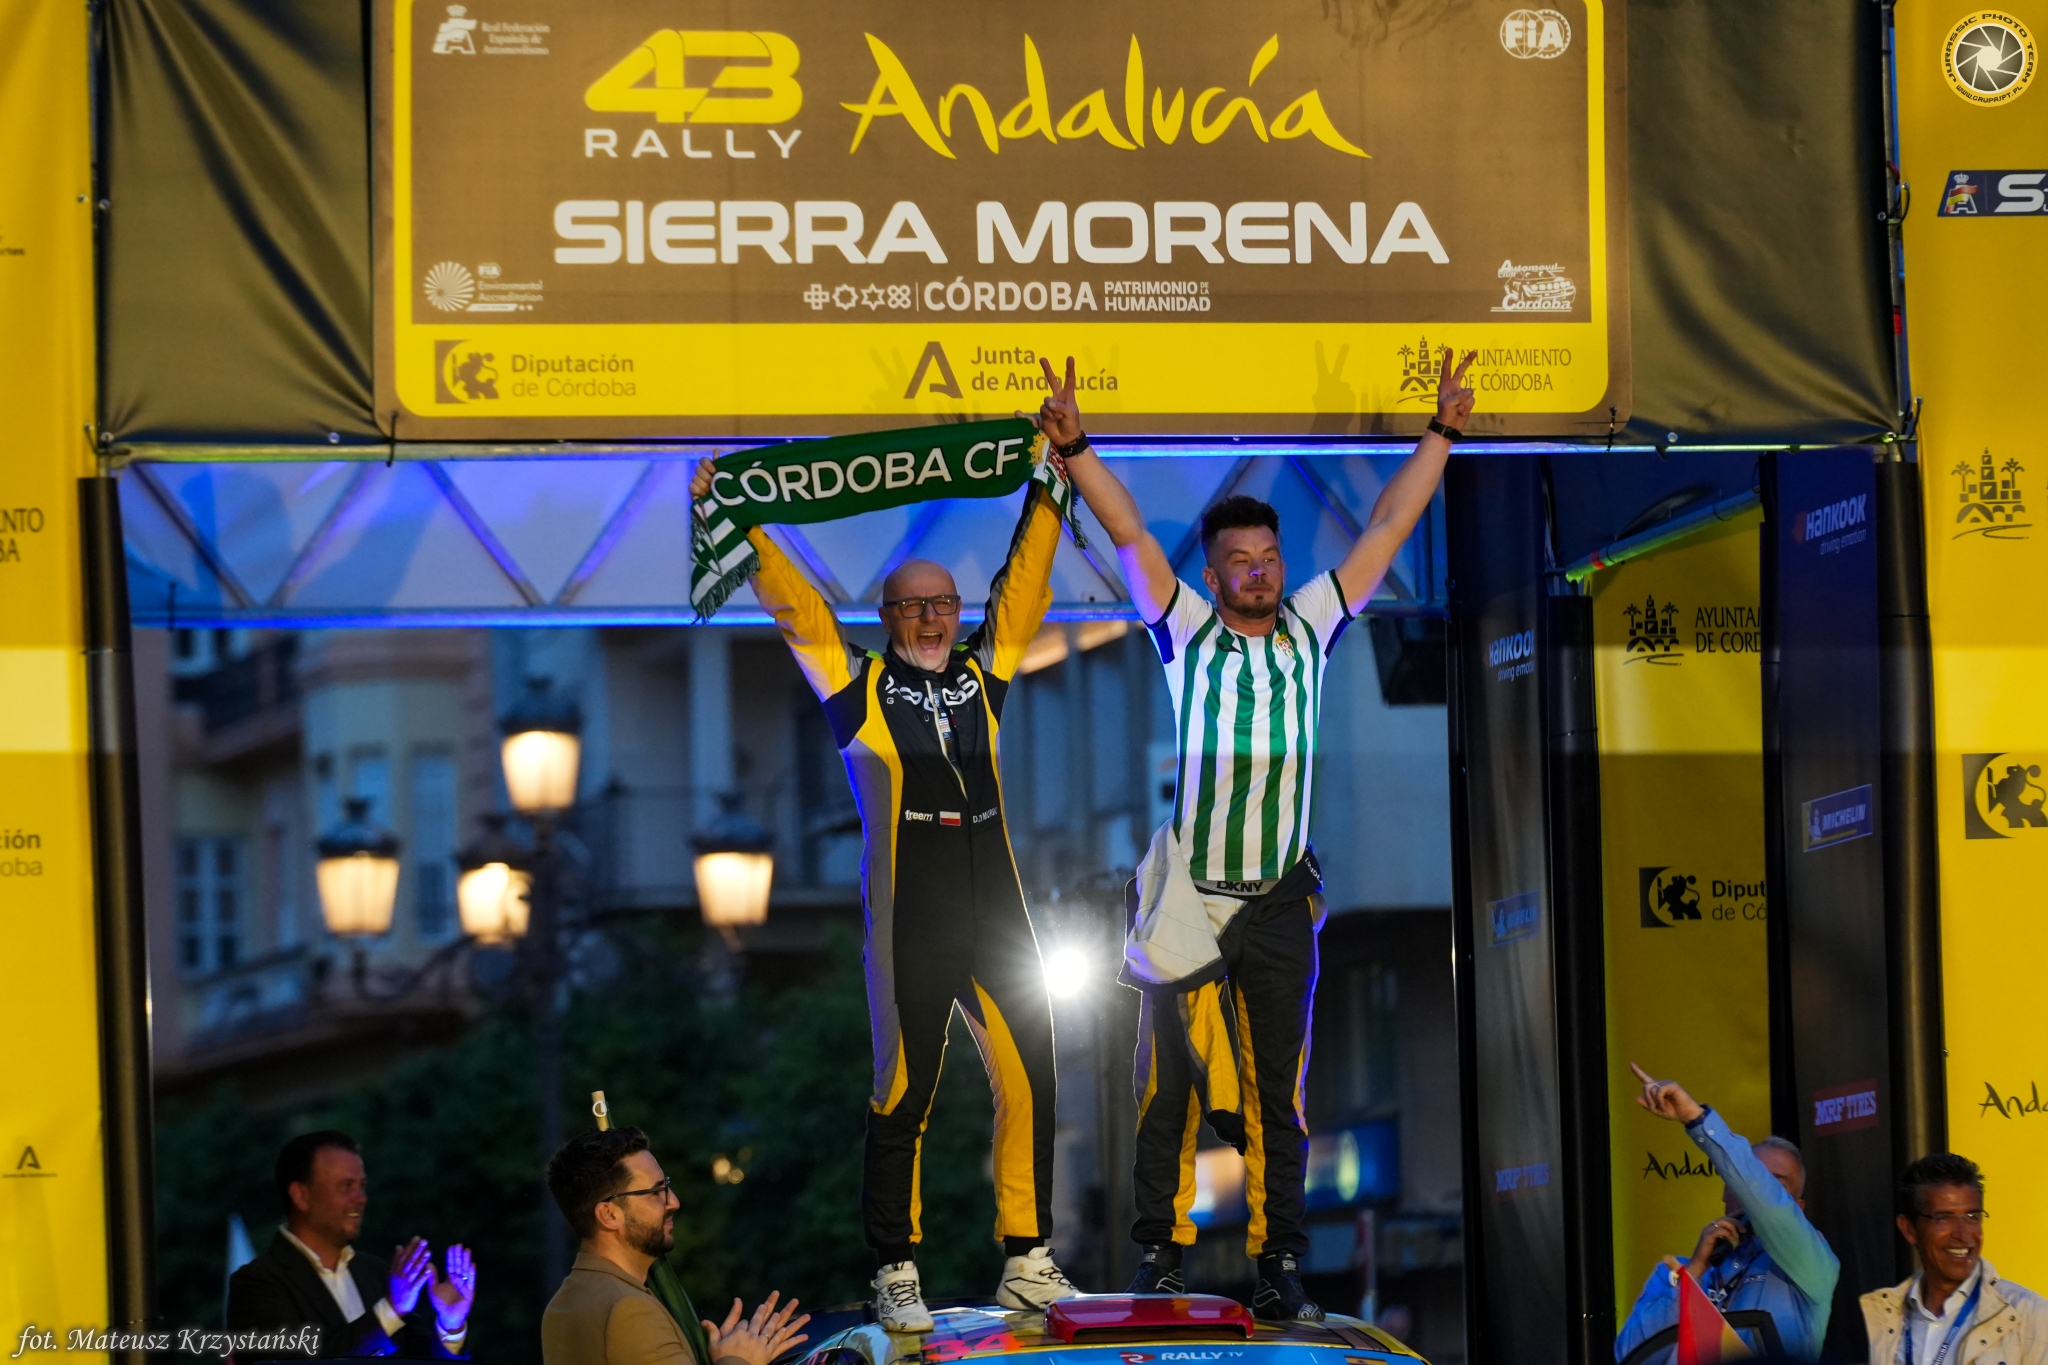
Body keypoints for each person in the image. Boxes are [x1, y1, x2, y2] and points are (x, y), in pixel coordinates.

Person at [1055, 350, 1476, 1320]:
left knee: (1277, 1092)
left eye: (1268, 559)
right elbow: (1128, 531)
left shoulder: (1313, 622)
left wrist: (1442, 433)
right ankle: (1158, 1253)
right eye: (1239, 563)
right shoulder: (1184, 628)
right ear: (1211, 576)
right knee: (1163, 1084)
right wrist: (1075, 449)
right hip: (1188, 897)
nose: (1257, 572)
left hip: (1279, 894)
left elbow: (1388, 524)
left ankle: (1278, 1262)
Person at [687, 405, 1081, 1331]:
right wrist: (738, 517)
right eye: (914, 606)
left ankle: (1027, 1255)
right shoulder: (856, 684)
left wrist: (1054, 478)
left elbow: (1026, 584)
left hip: (999, 906)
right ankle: (895, 1266)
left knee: (1034, 1073)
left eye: (945, 604)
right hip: (912, 915)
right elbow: (797, 609)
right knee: (905, 1090)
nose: (934, 618)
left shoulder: (984, 673)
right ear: (887, 616)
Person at [1615, 1064, 1840, 1363]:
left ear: (1796, 1207)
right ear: (1725, 1189)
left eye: (1775, 1182)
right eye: (1740, 1180)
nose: (1751, 1190)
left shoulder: (1811, 1261)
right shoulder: (1675, 1273)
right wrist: (1694, 1273)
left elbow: (1769, 1206)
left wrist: (1696, 1120)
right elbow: (1631, 1354)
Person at [542, 1126, 808, 1365]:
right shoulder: (629, 1309)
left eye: (666, 1186)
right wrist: (740, 1359)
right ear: (609, 1215)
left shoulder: (562, 1305)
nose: (673, 1202)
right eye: (655, 1192)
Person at [227, 1130, 475, 1358]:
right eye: (346, 1186)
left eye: (362, 1186)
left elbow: (421, 1358)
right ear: (301, 1195)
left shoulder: (375, 1273)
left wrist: (450, 1325)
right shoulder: (257, 1284)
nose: (361, 1198)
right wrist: (390, 1310)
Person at [1863, 1153, 2048, 1365]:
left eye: (1972, 1217)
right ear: (1909, 1229)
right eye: (1944, 1218)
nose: (1962, 1234)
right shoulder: (1885, 1318)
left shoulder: (2031, 1316)